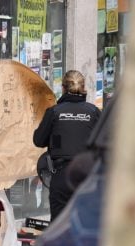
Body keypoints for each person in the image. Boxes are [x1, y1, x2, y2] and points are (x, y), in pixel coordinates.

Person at [33, 70, 101, 220]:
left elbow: (38, 140)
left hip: (62, 176)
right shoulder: (93, 112)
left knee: (58, 224)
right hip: (86, 177)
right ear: (84, 88)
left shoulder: (54, 112)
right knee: (86, 222)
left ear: (63, 88)